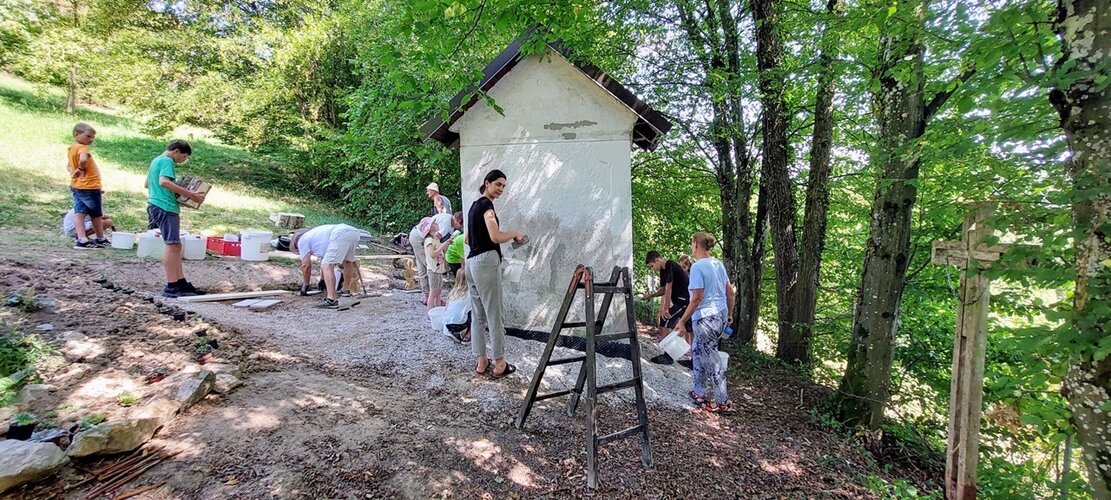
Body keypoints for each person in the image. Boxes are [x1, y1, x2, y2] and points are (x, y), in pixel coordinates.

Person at [466, 169, 525, 378]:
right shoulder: (487, 206)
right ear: (487, 183)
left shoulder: (473, 207)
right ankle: (500, 363)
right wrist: (515, 233)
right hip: (485, 262)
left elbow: (467, 239)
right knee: (494, 313)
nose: (501, 189)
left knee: (478, 315)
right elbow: (496, 236)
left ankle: (481, 361)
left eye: (503, 186)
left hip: (471, 263)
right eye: (498, 184)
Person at [673, 232, 735, 414]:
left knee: (712, 359)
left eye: (692, 243)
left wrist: (682, 321)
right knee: (698, 351)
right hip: (720, 314)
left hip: (706, 318)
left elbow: (697, 298)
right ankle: (699, 392)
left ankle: (723, 402)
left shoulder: (699, 267)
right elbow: (730, 292)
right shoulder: (718, 264)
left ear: (695, 245)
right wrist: (729, 314)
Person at [146, 140, 207, 297]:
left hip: (158, 204)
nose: (183, 160)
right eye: (184, 156)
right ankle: (172, 286)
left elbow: (147, 184)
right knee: (172, 246)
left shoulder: (156, 160)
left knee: (176, 246)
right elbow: (164, 182)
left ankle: (180, 282)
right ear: (176, 151)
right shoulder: (167, 160)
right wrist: (190, 194)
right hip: (164, 207)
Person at [290, 223, 362, 309]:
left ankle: (331, 300)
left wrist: (305, 285)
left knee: (327, 266)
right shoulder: (316, 238)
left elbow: (306, 266)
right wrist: (322, 279)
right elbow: (324, 259)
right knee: (347, 261)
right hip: (354, 232)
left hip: (339, 233)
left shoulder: (302, 242)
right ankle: (345, 289)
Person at [68, 123, 109, 248]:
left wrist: (73, 173)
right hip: (89, 186)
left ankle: (82, 239)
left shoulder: (71, 148)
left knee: (79, 212)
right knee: (96, 214)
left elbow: (69, 166)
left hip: (77, 185)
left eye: (92, 138)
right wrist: (81, 168)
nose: (90, 140)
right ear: (77, 134)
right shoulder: (82, 148)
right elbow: (84, 159)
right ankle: (100, 238)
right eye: (88, 136)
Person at [641, 250, 691, 345]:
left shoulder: (670, 264)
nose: (653, 269)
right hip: (678, 301)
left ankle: (669, 351)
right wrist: (651, 295)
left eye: (652, 266)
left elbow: (669, 287)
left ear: (657, 260)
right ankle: (673, 350)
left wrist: (666, 308)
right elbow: (663, 290)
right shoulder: (663, 271)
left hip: (684, 300)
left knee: (665, 318)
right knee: (686, 327)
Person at [408, 217, 435, 304]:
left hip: (415, 234)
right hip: (418, 237)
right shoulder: (446, 225)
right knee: (430, 266)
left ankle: (427, 295)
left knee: (422, 267)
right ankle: (432, 296)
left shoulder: (444, 219)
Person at [442, 270, 472, 343]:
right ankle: (468, 335)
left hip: (447, 324)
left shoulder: (453, 292)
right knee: (477, 312)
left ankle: (453, 332)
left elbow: (446, 308)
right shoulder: (471, 293)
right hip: (460, 325)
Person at [423, 219, 446, 309]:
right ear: (430, 228)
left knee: (438, 291)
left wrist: (446, 243)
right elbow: (432, 254)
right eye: (434, 223)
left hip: (439, 269)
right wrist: (443, 246)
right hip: (433, 269)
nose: (437, 224)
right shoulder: (429, 240)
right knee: (433, 292)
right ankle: (430, 312)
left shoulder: (435, 239)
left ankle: (438, 311)